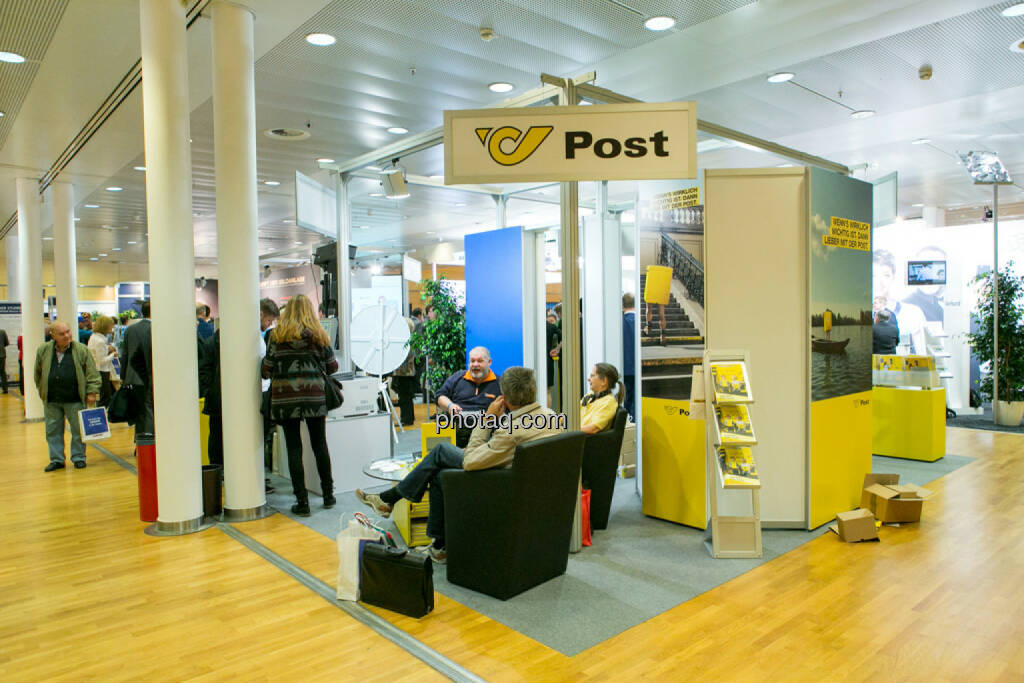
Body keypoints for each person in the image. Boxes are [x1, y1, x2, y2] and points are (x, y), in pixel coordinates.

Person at [355, 366, 563, 563]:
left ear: (505, 398)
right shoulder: (551, 417)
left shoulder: (510, 432)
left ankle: (390, 501)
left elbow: (471, 461)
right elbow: (506, 451)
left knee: (441, 452)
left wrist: (487, 420)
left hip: (499, 488)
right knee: (439, 473)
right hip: (530, 489)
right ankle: (438, 545)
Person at [261, 294, 338, 517]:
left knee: (294, 448)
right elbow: (332, 367)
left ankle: (302, 501)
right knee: (319, 444)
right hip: (314, 397)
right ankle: (328, 494)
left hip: (286, 399)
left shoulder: (277, 336)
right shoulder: (319, 335)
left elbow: (267, 368)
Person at [33, 320, 100, 471]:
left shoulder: (81, 350)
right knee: (53, 431)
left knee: (78, 430)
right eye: (62, 334)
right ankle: (57, 460)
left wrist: (92, 391)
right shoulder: (43, 350)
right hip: (52, 399)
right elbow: (38, 373)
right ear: (53, 335)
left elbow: (92, 373)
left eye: (68, 331)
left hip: (74, 398)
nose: (67, 336)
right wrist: (42, 390)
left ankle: (79, 457)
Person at [435, 346, 501, 448]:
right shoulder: (457, 378)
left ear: (489, 362)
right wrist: (450, 406)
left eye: (480, 361)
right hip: (457, 434)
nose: (475, 364)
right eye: (472, 361)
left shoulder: (500, 383)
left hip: (487, 437)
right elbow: (440, 396)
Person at [121, 300, 154, 448]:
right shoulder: (156, 328)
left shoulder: (130, 329)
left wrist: (123, 376)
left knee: (140, 410)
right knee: (149, 410)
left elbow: (125, 354)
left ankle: (140, 443)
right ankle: (149, 443)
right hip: (150, 376)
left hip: (133, 376)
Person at [581, 363, 625, 435]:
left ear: (604, 381)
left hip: (582, 440)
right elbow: (571, 415)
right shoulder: (589, 397)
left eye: (592, 376)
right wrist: (561, 421)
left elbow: (593, 429)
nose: (588, 379)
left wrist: (567, 429)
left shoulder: (608, 402)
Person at [391, 316, 418, 426]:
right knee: (406, 396)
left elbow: (405, 356)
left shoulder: (406, 340)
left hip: (404, 372)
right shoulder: (411, 339)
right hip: (407, 372)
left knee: (404, 397)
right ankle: (408, 418)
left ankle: (406, 419)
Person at [87, 315, 118, 407]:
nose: (112, 327)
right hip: (102, 371)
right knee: (105, 397)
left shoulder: (94, 337)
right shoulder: (100, 341)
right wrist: (113, 355)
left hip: (96, 370)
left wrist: (107, 348)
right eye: (111, 325)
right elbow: (101, 361)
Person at [621, 293, 636, 420]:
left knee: (626, 399)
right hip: (637, 367)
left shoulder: (620, 322)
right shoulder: (638, 321)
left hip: (625, 367)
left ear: (622, 305)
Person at [0, 326, 8, 394]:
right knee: (2, 372)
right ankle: (5, 389)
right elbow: (7, 343)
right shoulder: (3, 332)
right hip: (2, 354)